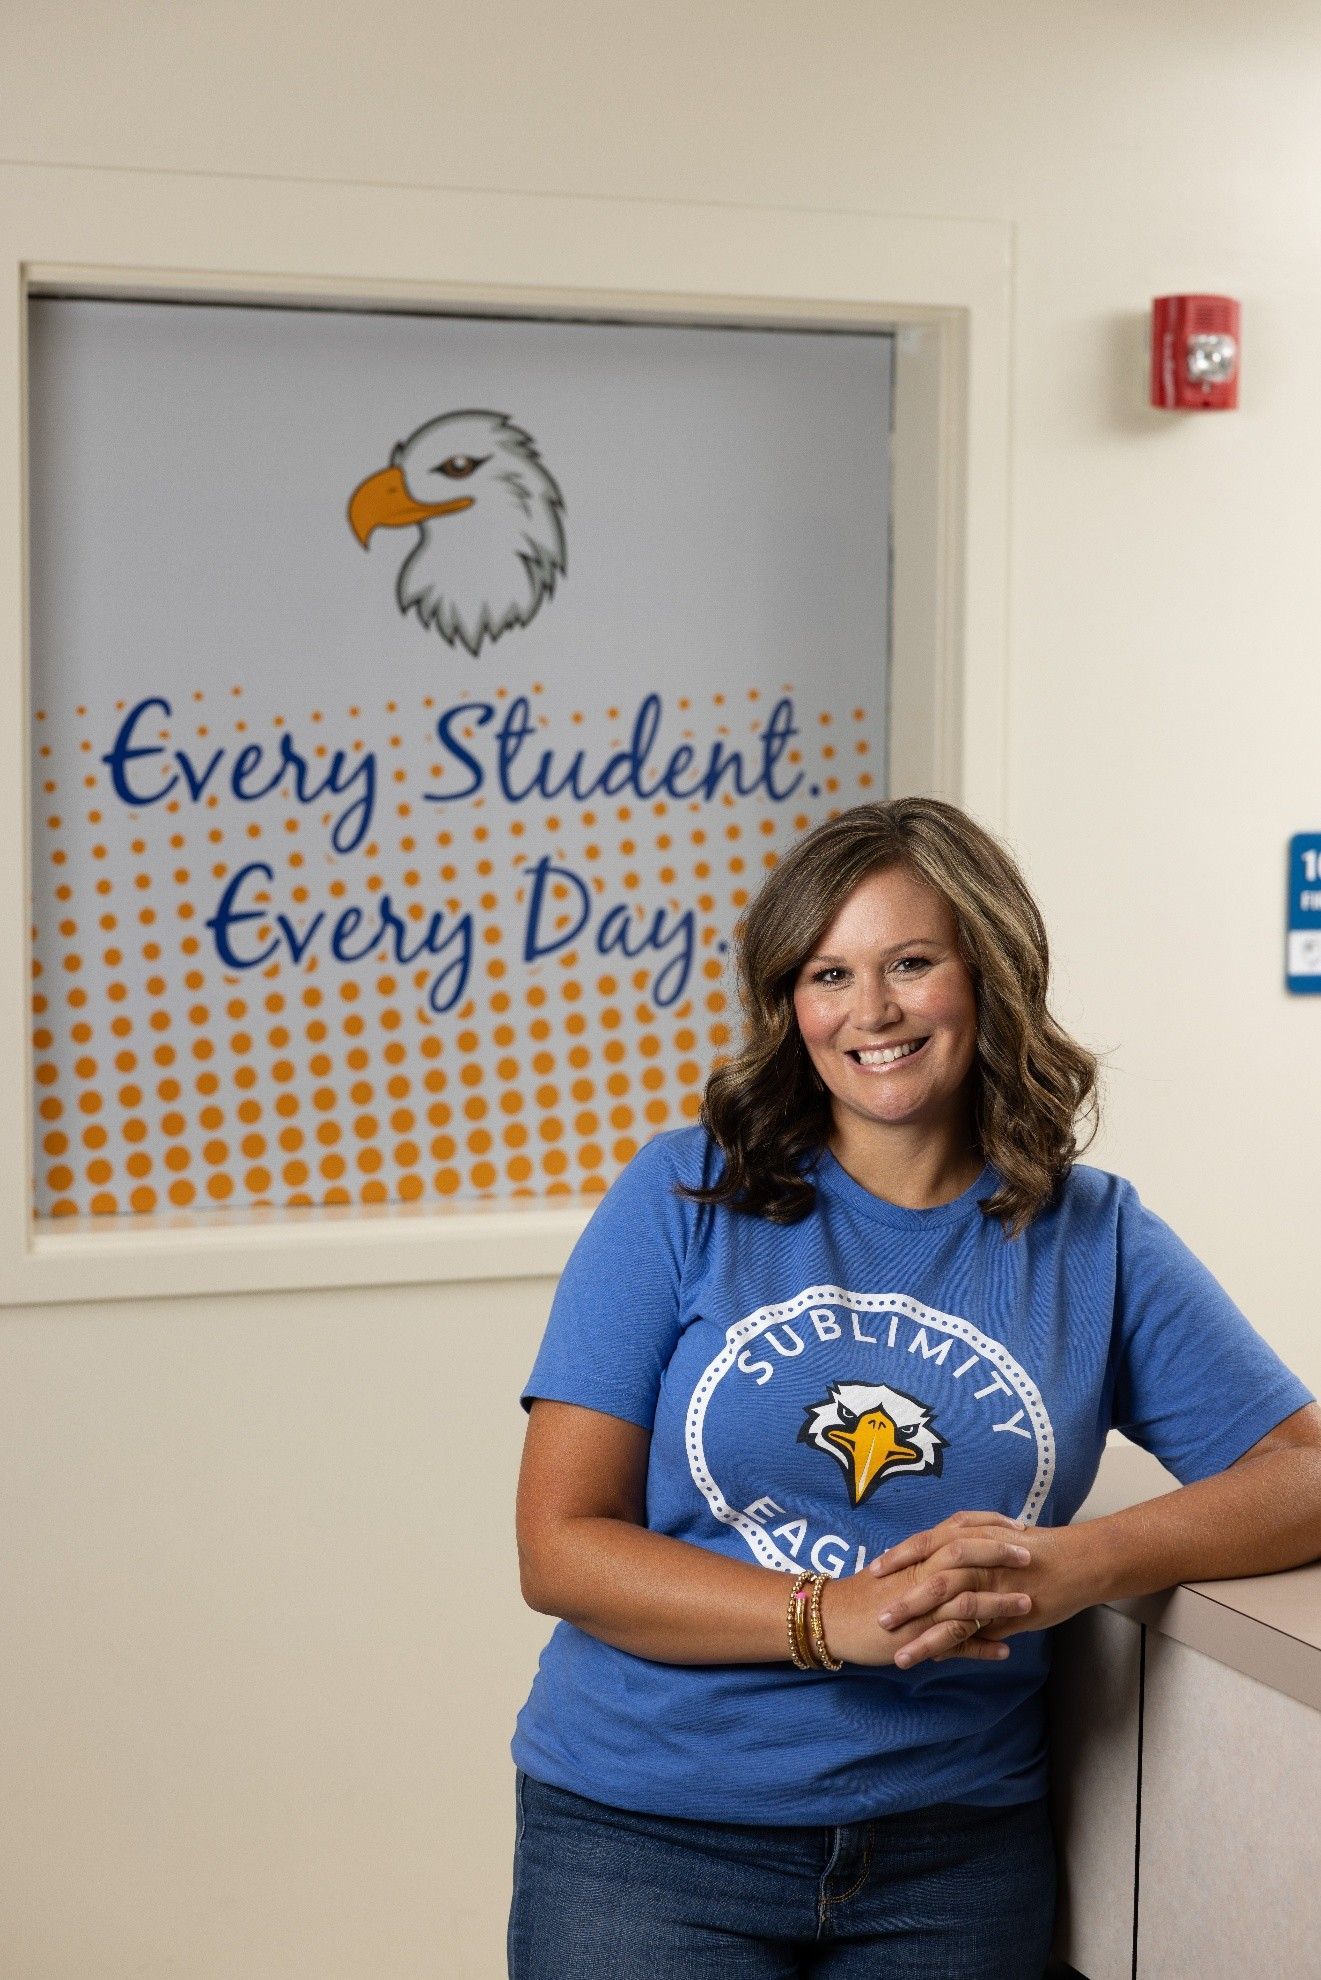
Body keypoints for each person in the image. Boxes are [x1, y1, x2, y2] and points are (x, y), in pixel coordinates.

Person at [507, 797, 1319, 1979]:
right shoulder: (685, 1196)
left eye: (909, 963)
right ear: (789, 1004)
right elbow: (560, 1547)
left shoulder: (1092, 1239)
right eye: (826, 973)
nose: (869, 1011)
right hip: (648, 1838)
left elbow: (1301, 1472)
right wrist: (834, 1620)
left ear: (984, 972)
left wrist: (1080, 1565)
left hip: (954, 1856)